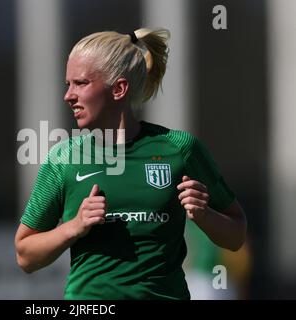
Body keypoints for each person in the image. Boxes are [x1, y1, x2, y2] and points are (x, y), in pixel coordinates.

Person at [14, 27, 247, 300]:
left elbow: (236, 235)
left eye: (80, 83)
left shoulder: (180, 149)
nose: (68, 95)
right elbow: (25, 255)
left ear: (119, 89)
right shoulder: (64, 158)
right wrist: (74, 226)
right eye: (68, 85)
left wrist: (205, 216)